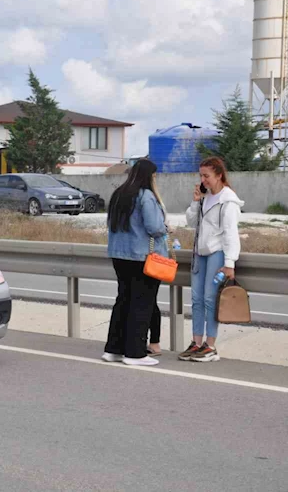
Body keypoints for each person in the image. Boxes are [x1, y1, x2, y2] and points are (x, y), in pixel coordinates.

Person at [102, 159, 168, 366]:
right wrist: (165, 227)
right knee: (142, 304)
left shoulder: (119, 194)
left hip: (119, 255)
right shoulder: (146, 196)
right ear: (149, 176)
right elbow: (154, 227)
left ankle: (113, 349)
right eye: (154, 176)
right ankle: (135, 353)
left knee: (123, 300)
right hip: (141, 256)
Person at [178, 157, 244, 363]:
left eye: (206, 176)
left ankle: (211, 346)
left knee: (210, 299)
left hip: (217, 253)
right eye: (201, 176)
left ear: (219, 175)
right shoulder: (205, 197)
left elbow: (230, 233)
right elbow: (191, 222)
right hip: (200, 253)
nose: (203, 180)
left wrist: (230, 263)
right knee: (196, 299)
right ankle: (196, 342)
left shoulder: (228, 201)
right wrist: (195, 201)